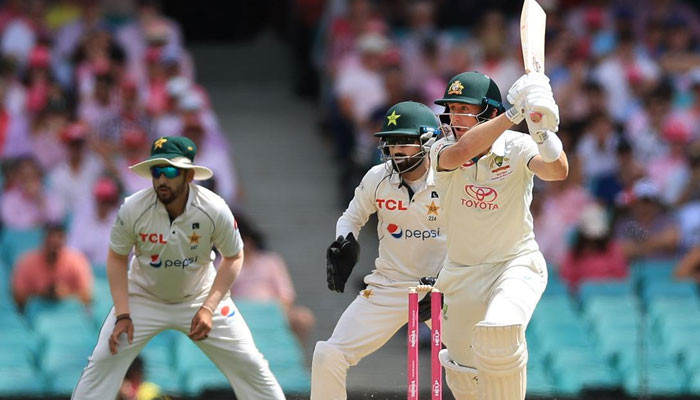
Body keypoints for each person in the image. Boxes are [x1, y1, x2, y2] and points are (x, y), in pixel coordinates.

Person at [72, 136, 284, 399]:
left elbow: (234, 257)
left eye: (170, 171)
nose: (161, 179)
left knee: (250, 363)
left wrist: (209, 307)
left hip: (199, 298)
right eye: (156, 171)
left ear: (189, 175)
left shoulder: (214, 209)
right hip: (143, 298)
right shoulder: (133, 208)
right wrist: (124, 314)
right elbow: (117, 258)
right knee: (102, 361)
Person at [429, 71, 567, 399]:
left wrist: (542, 131)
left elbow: (557, 171)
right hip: (461, 274)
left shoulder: (518, 146)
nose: (455, 117)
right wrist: (515, 113)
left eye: (465, 109)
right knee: (464, 373)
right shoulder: (440, 148)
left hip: (514, 264)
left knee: (499, 331)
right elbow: (463, 151)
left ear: (489, 112)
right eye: (452, 109)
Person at [311, 101, 447, 399]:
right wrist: (344, 241)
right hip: (392, 284)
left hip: (448, 287)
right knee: (328, 355)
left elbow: (473, 233)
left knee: (474, 367)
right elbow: (352, 217)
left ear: (427, 141)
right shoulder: (377, 177)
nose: (396, 150)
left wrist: (448, 282)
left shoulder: (451, 178)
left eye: (404, 142)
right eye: (391, 141)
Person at [230, 213, 315, 344]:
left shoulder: (271, 261)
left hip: (272, 309)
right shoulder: (222, 263)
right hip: (240, 312)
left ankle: (294, 358)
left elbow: (286, 294)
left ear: (251, 240)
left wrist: (277, 311)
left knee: (303, 318)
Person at [12, 222, 93, 310]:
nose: (54, 247)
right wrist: (42, 293)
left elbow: (87, 296)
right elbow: (17, 297)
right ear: (44, 240)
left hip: (67, 311)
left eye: (58, 240)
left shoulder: (77, 261)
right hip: (38, 312)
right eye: (51, 240)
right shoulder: (27, 262)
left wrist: (66, 293)